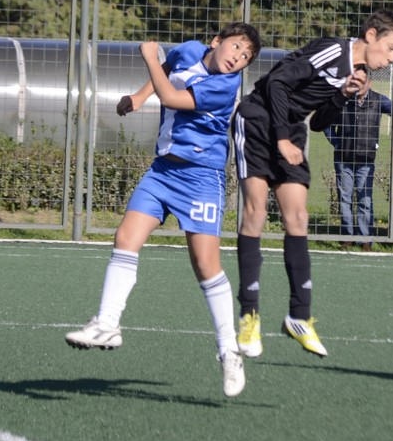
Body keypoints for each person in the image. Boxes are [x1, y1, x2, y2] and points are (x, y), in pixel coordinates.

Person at [65, 22, 261, 398]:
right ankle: (107, 323)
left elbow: (170, 96)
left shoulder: (225, 85)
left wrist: (149, 59)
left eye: (246, 57)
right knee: (125, 237)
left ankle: (229, 351)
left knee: (206, 265)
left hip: (201, 178)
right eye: (236, 47)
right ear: (216, 41)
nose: (238, 58)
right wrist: (140, 97)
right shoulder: (188, 50)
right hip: (162, 171)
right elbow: (169, 69)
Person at [233, 9, 393, 358]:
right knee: (255, 212)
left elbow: (318, 123)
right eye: (391, 48)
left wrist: (343, 94)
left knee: (298, 218)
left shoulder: (355, 73)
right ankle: (249, 316)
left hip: (292, 127)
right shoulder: (334, 50)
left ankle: (299, 317)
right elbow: (277, 82)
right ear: (371, 35)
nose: (391, 59)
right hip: (258, 119)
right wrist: (282, 138)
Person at [324, 90, 393, 250]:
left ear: (368, 82)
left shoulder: (378, 100)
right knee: (345, 198)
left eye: (362, 81)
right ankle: (347, 237)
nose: (358, 84)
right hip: (343, 158)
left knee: (365, 199)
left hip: (366, 158)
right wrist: (337, 143)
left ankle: (365, 239)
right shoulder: (342, 99)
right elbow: (325, 122)